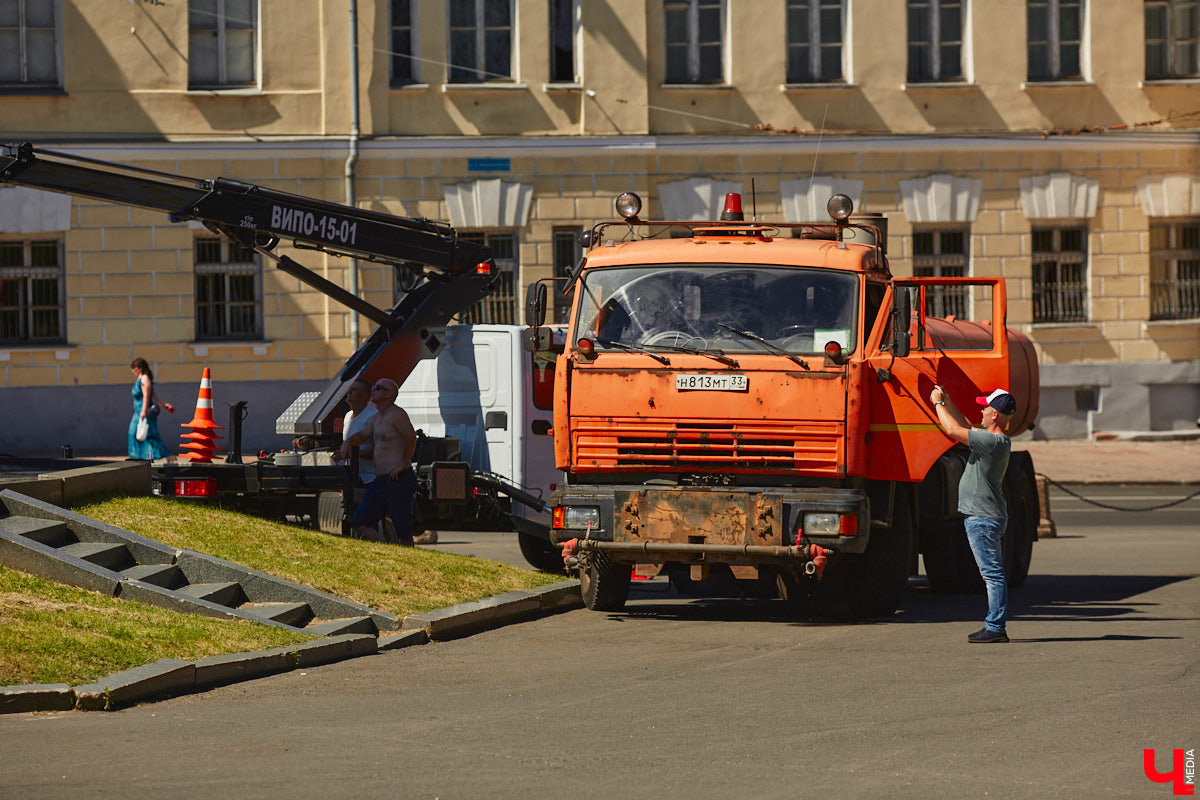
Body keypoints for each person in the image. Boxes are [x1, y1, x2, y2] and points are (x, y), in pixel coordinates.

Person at [929, 385, 1017, 644]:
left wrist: (937, 404)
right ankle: (995, 625)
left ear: (995, 416)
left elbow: (953, 430)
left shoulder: (991, 441)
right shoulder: (993, 439)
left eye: (985, 407)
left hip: (983, 518)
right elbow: (966, 424)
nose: (981, 409)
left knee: (992, 574)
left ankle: (995, 627)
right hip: (987, 516)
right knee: (993, 572)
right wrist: (949, 399)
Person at [336, 378, 418, 545]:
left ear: (389, 394)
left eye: (378, 388)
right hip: (380, 481)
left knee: (402, 529)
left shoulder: (397, 414)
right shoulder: (377, 418)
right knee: (360, 522)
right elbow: (361, 436)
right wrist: (347, 443)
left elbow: (411, 437)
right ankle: (384, 549)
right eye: (373, 387)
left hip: (397, 479)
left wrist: (404, 463)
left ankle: (409, 557)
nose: (373, 390)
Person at [128, 357, 175, 460]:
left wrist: (144, 411)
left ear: (139, 368)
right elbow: (154, 396)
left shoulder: (144, 378)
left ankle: (156, 456)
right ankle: (138, 457)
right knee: (134, 434)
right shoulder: (140, 378)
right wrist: (164, 405)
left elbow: (147, 395)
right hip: (138, 412)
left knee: (148, 436)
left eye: (134, 368)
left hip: (144, 412)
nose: (132, 371)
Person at [340, 378, 377, 485]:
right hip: (353, 478)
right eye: (349, 389)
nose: (349, 392)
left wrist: (353, 453)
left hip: (370, 479)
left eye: (354, 390)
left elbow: (379, 448)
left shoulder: (372, 416)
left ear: (365, 396)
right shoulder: (347, 416)